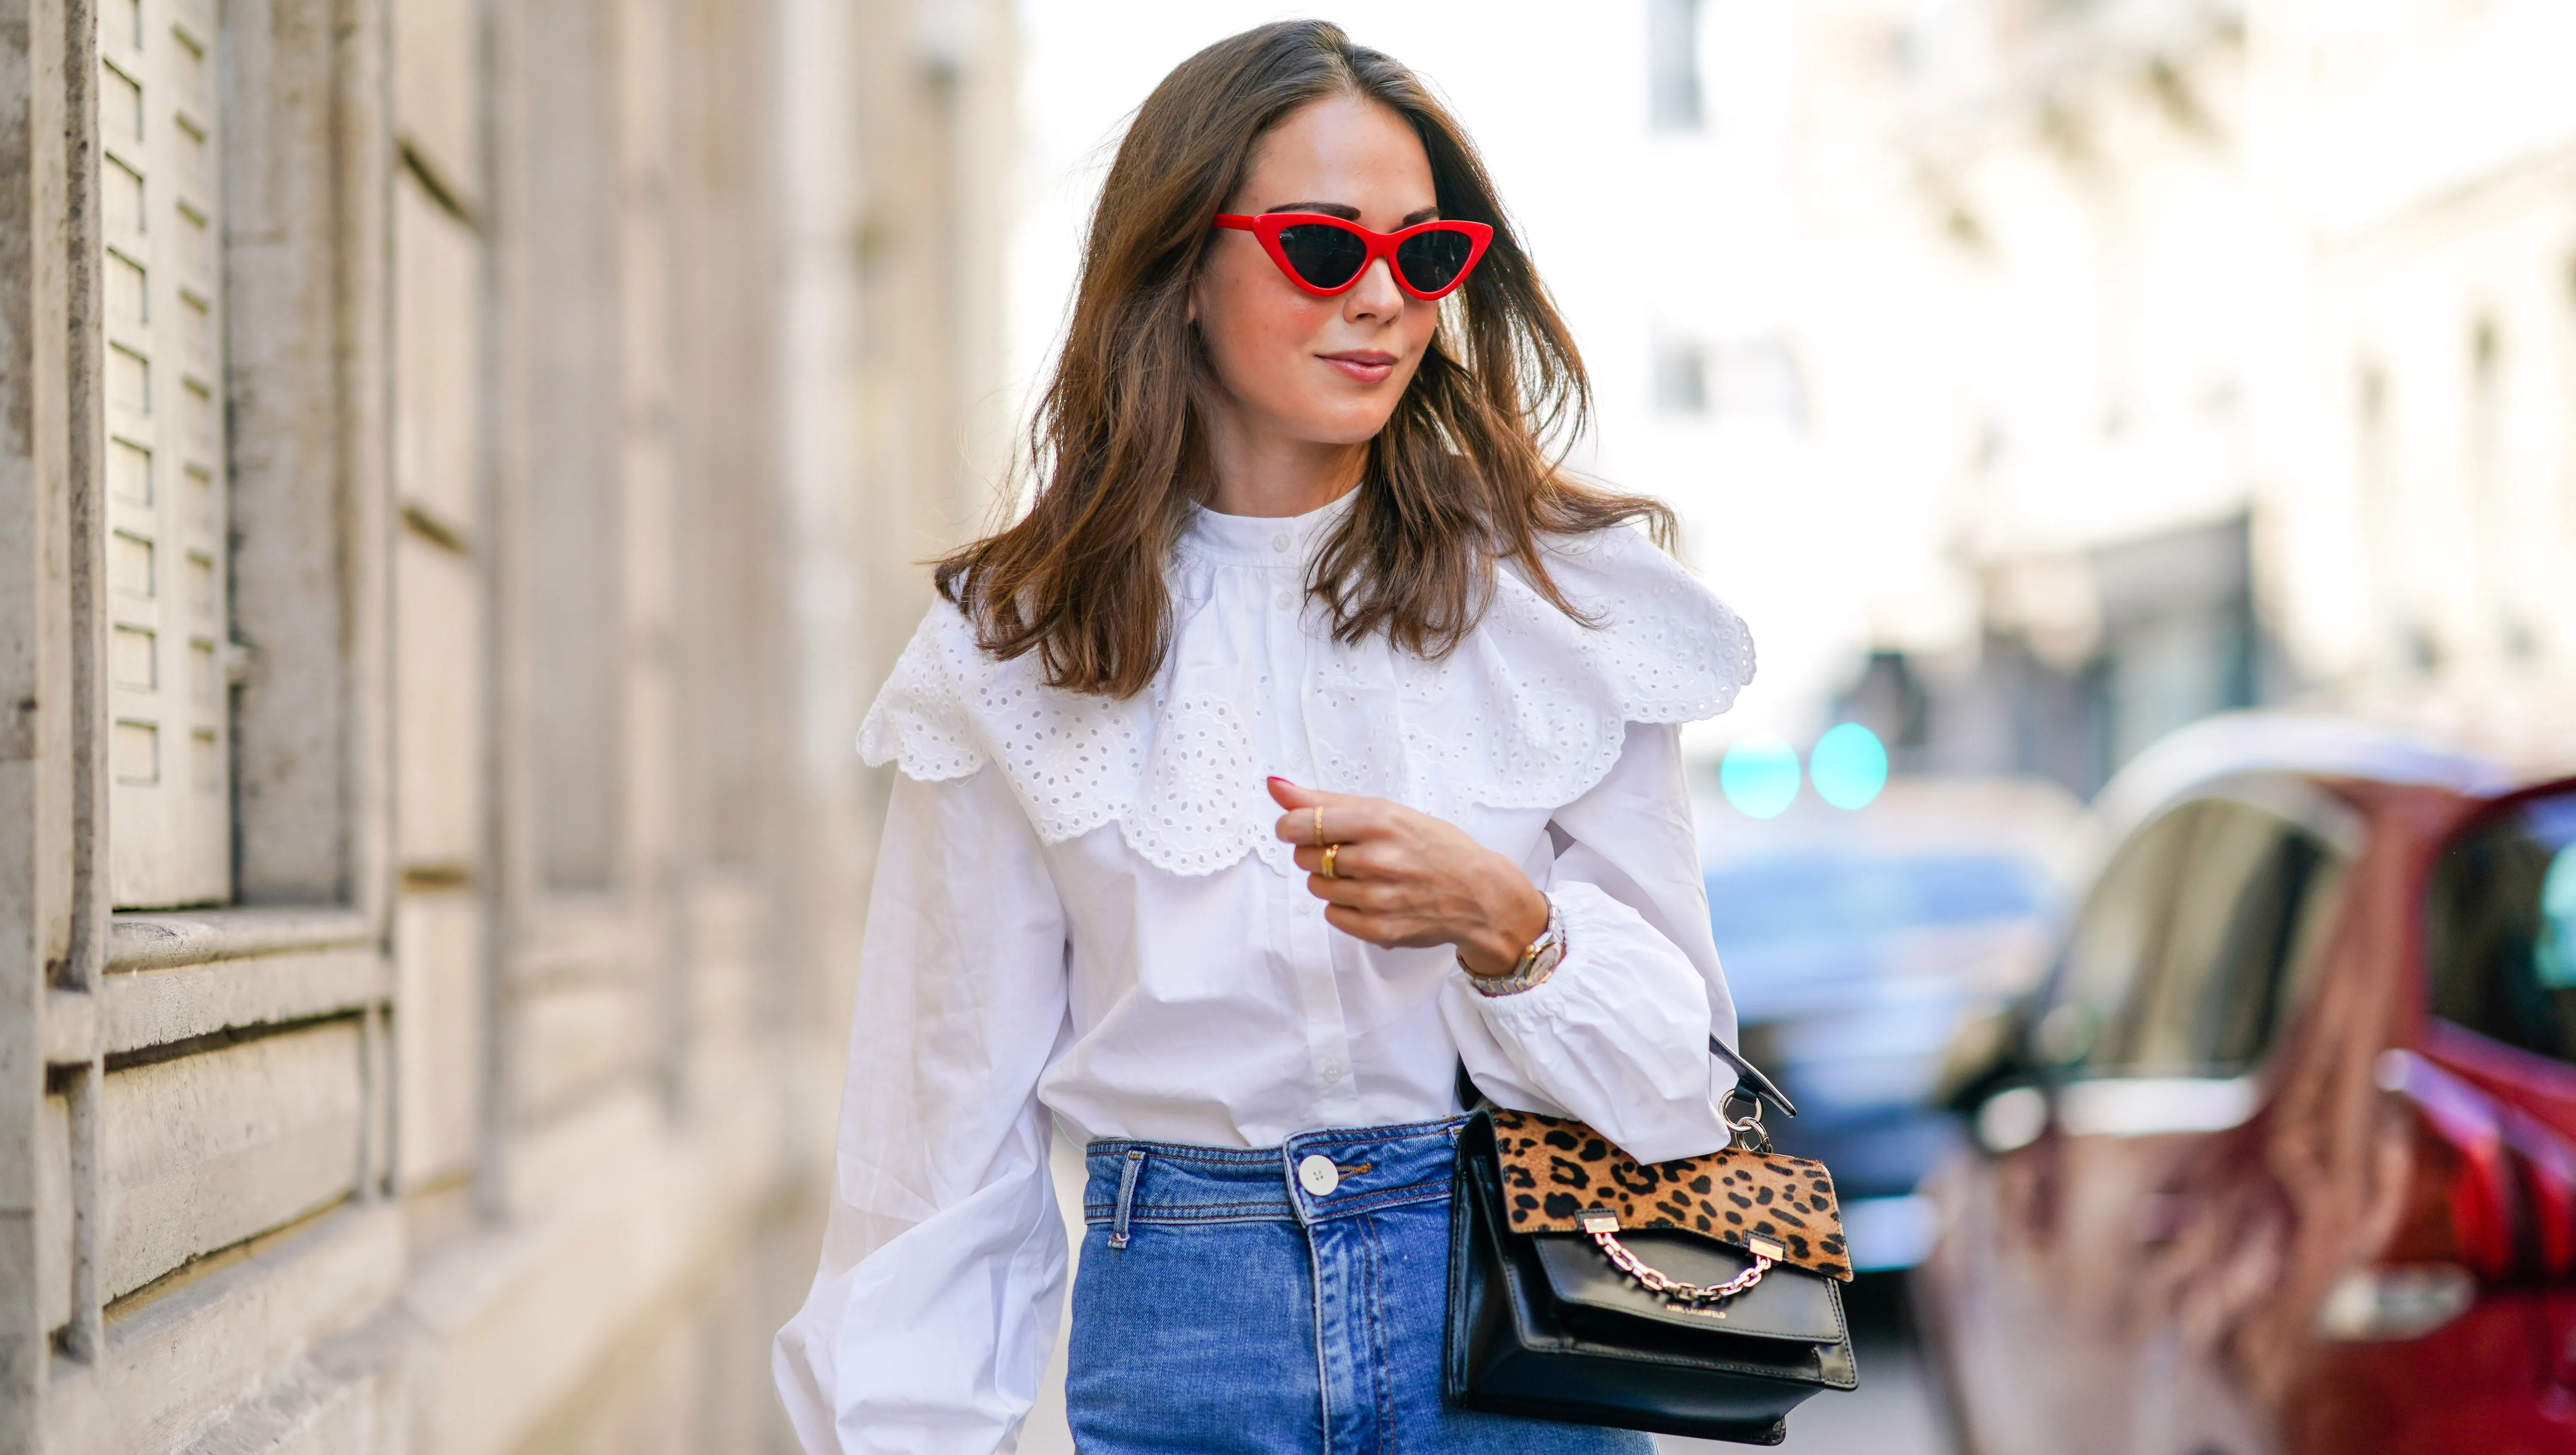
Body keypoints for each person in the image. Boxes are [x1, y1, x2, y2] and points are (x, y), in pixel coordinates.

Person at [775, 20, 1755, 1455]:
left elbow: (1684, 1084)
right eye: (1320, 247)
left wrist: (1511, 923)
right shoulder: (1017, 644)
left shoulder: (1559, 606)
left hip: (1514, 1331)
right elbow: (940, 1155)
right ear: (1180, 272)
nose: (1381, 301)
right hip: (1182, 1344)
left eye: (1425, 260)